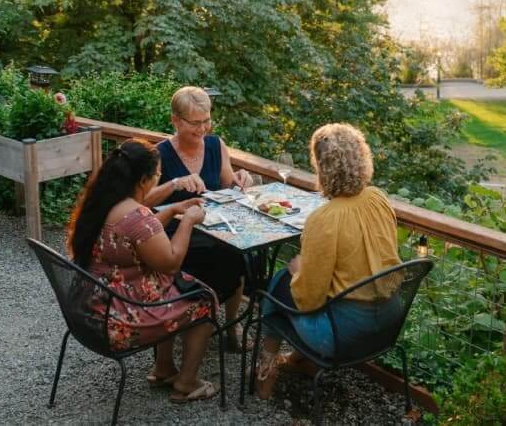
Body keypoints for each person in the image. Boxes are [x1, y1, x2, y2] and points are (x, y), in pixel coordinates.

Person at [255, 123, 402, 398]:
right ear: (362, 157)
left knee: (276, 290)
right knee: (286, 285)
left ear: (322, 167)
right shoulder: (378, 199)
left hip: (341, 337)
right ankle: (300, 361)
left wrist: (299, 272)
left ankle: (265, 376)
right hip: (389, 324)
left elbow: (309, 299)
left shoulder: (325, 219)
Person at [67, 138, 219, 403]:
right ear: (143, 180)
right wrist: (189, 222)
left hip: (89, 305)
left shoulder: (101, 203)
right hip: (118, 319)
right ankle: (187, 382)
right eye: (158, 175)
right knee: (203, 298)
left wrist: (171, 210)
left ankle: (163, 368)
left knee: (172, 285)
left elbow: (138, 237)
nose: (158, 179)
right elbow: (171, 261)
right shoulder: (137, 216)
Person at [144, 86, 253, 350]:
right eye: (195, 123)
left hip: (213, 229)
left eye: (207, 121)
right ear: (175, 121)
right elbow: (142, 203)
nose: (203, 129)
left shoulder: (216, 146)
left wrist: (240, 179)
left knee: (241, 253)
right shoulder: (159, 154)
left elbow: (228, 185)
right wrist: (175, 183)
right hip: (173, 236)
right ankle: (195, 319)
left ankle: (231, 325)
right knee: (225, 258)